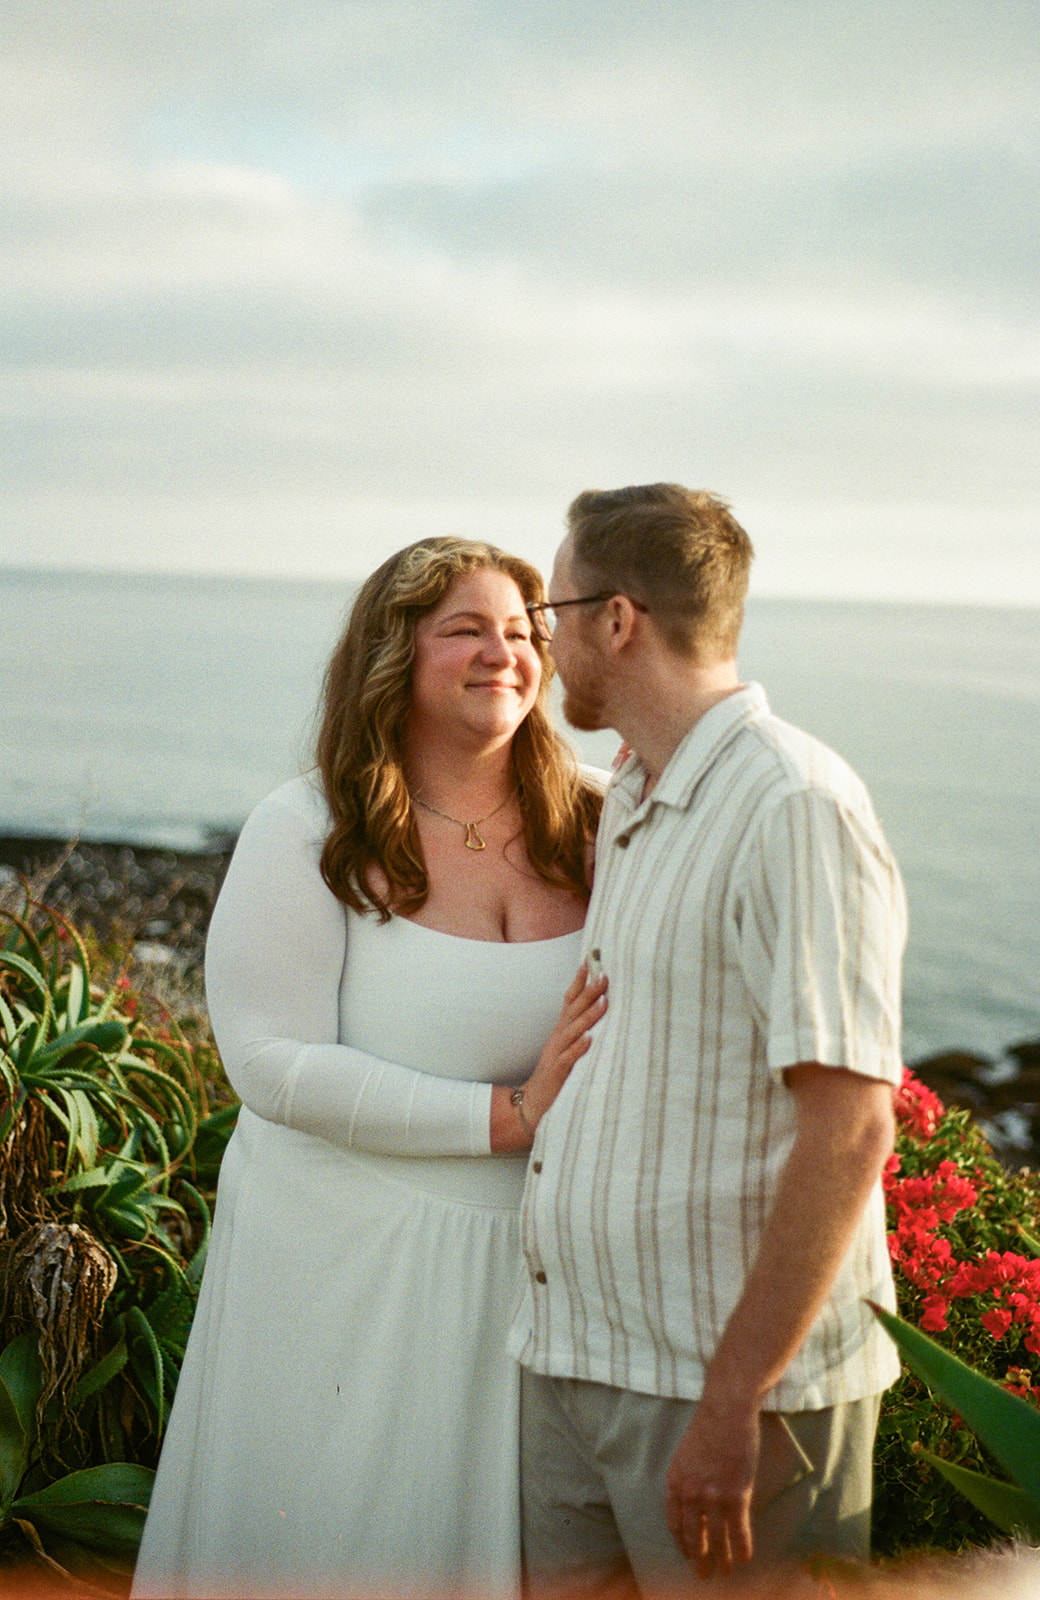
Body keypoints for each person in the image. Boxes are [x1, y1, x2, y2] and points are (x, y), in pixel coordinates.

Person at [132, 537, 607, 1600]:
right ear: (395, 651)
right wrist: (507, 1113)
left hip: (536, 1267)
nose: (507, 652)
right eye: (467, 629)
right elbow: (265, 1061)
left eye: (527, 630)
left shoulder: (603, 816)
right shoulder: (305, 828)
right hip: (345, 1266)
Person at [512, 484, 907, 1594]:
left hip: (729, 1399)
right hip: (579, 1363)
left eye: (549, 615)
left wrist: (734, 1400)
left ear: (617, 619)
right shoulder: (632, 796)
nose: (542, 647)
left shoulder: (791, 805)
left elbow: (847, 1129)